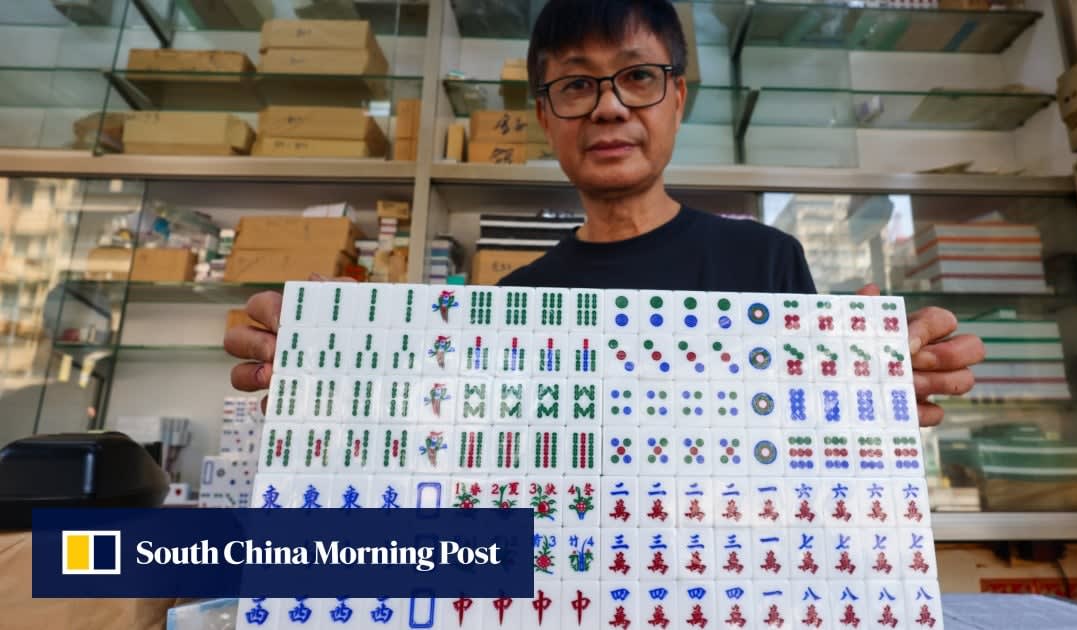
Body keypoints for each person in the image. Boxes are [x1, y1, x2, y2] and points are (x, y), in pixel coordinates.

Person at [224, 0, 984, 426]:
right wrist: (336, 367)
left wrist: (878, 388)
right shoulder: (516, 301)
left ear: (677, 98)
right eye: (577, 84)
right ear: (544, 116)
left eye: (638, 77)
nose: (610, 107)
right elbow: (464, 449)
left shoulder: (766, 260)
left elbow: (808, 426)